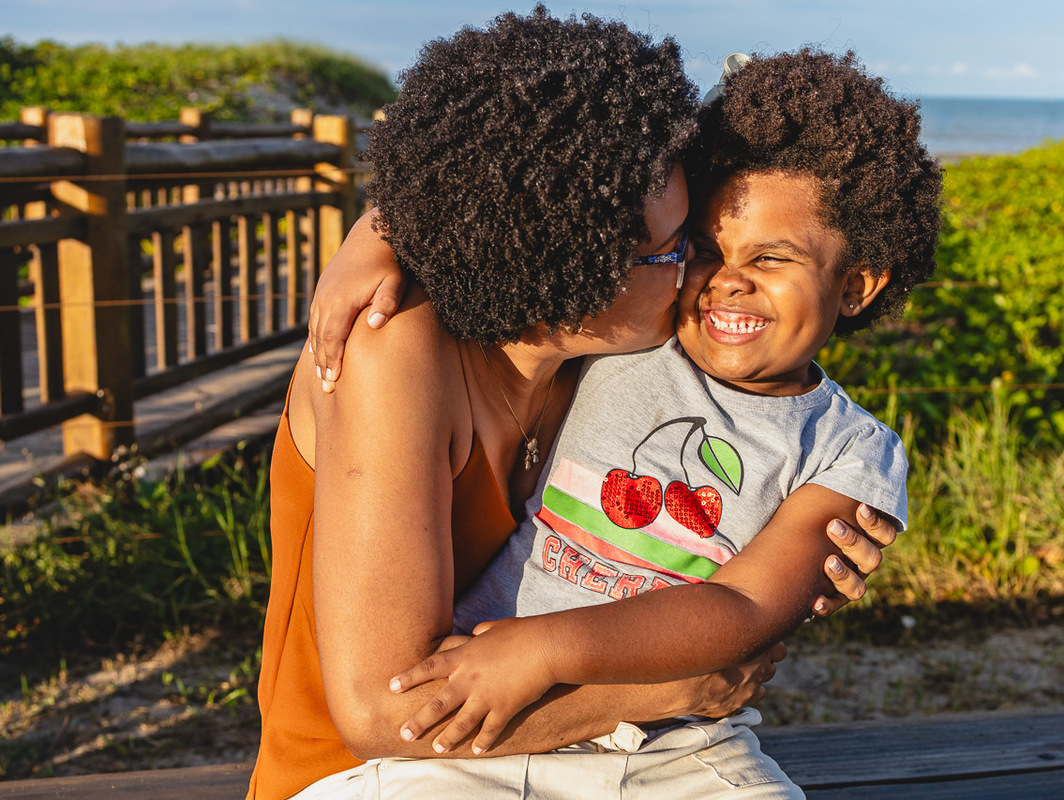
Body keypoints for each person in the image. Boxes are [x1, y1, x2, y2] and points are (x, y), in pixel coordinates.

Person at [254, 9, 898, 800]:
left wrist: (379, 225)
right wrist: (672, 691)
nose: (696, 280)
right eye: (677, 250)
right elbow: (387, 712)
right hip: (387, 768)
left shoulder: (591, 362)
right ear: (572, 267)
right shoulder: (394, 351)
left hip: (627, 761)